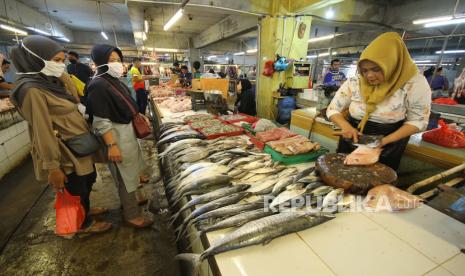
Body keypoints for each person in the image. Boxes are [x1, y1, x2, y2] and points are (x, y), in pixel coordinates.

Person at [9, 35, 111, 237]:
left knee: (88, 178)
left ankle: (86, 209)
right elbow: (41, 130)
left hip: (79, 144)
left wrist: (62, 74)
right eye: (55, 60)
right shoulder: (31, 90)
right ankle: (80, 226)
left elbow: (74, 96)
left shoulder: (50, 82)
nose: (60, 64)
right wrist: (53, 167)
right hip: (64, 150)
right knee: (74, 186)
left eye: (62, 60)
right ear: (36, 60)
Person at [327, 32, 431, 171]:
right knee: (342, 175)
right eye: (364, 70)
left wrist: (383, 142)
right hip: (353, 137)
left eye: (376, 69)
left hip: (388, 142)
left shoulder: (414, 83)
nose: (369, 75)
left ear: (392, 64)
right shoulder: (356, 81)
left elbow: (418, 121)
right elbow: (333, 109)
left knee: (375, 183)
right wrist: (345, 126)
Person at [85, 44, 153, 228]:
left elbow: (125, 103)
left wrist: (138, 115)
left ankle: (129, 202)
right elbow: (100, 121)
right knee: (124, 177)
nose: (117, 64)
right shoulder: (98, 85)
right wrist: (112, 145)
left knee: (129, 174)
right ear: (99, 62)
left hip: (125, 133)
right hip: (115, 136)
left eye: (118, 60)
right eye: (111, 60)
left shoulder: (111, 80)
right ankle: (131, 215)